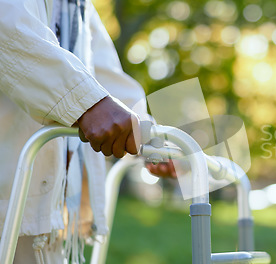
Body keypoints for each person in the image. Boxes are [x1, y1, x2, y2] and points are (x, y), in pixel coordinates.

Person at [0, 0, 173, 263]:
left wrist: (150, 137)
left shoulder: (78, 6)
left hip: (44, 199)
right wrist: (86, 103)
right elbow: (9, 29)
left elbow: (99, 71)